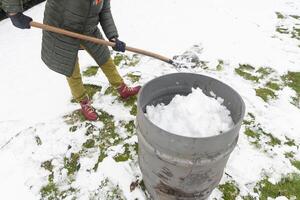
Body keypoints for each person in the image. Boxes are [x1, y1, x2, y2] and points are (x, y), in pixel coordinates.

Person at [2, 0, 141, 121]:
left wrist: (113, 37)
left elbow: (104, 11)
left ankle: (121, 88)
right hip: (61, 30)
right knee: (71, 68)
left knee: (104, 58)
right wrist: (14, 12)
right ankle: (84, 102)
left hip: (88, 29)